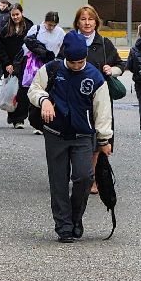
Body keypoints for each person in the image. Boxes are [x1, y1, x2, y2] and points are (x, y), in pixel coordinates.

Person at [27, 33, 114, 242]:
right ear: (66, 56)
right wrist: (44, 100)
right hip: (55, 134)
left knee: (84, 177)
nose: (76, 66)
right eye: (73, 62)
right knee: (58, 182)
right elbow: (33, 89)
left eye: (81, 62)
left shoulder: (95, 77)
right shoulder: (52, 69)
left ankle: (76, 217)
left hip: (83, 135)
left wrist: (104, 139)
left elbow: (102, 111)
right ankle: (63, 226)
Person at [0, 3, 51, 128]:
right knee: (12, 91)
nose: (15, 17)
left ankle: (24, 117)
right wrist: (7, 64)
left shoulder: (29, 26)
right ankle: (15, 119)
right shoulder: (6, 28)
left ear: (22, 13)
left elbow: (34, 44)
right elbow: (1, 48)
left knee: (24, 91)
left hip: (26, 64)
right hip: (10, 64)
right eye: (13, 15)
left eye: (17, 14)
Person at [71, 5, 123, 75]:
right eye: (83, 19)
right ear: (77, 23)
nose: (87, 23)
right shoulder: (70, 41)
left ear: (96, 23)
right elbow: (60, 65)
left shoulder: (105, 43)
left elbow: (121, 65)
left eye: (90, 19)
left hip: (99, 85)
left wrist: (112, 70)